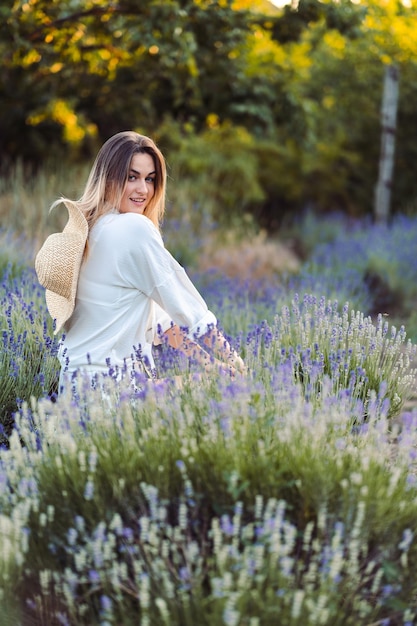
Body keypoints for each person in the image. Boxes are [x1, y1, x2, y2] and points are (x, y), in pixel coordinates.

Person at [35, 130, 245, 394]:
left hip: (75, 396)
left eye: (150, 179)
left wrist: (213, 365)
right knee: (220, 391)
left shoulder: (91, 231)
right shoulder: (133, 228)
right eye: (131, 177)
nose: (143, 189)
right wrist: (237, 365)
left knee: (213, 379)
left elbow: (163, 324)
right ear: (108, 178)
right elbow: (188, 309)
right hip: (114, 396)